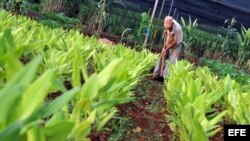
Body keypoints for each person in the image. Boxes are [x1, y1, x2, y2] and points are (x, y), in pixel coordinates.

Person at [152, 16, 183, 81]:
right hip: (169, 39)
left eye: (169, 28)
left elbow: (174, 42)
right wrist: (164, 47)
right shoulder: (167, 23)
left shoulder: (177, 29)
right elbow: (166, 32)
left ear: (172, 24)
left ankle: (164, 77)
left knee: (172, 60)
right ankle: (156, 74)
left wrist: (166, 49)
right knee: (162, 55)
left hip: (177, 43)